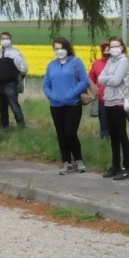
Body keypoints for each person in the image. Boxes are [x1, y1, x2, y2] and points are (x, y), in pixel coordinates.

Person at [42, 37, 90, 174]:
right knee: (61, 133)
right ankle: (66, 161)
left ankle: (79, 159)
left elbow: (84, 81)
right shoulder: (52, 65)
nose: (59, 51)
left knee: (70, 132)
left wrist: (71, 94)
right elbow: (46, 85)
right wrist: (52, 96)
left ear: (67, 48)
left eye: (61, 48)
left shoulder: (75, 62)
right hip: (56, 105)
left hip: (72, 104)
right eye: (56, 49)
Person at [98, 38, 129, 179]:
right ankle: (115, 165)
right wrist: (109, 78)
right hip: (108, 101)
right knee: (112, 136)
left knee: (121, 135)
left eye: (116, 46)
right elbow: (100, 78)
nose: (113, 49)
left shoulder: (123, 61)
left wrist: (108, 78)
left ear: (122, 47)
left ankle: (127, 166)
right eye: (111, 47)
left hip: (119, 101)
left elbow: (117, 80)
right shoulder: (110, 61)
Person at [0, 32, 28, 128]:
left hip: (10, 84)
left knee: (14, 106)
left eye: (7, 38)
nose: (5, 40)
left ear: (10, 40)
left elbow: (23, 68)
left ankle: (21, 127)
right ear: (0, 40)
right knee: (2, 108)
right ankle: (4, 127)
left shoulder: (15, 53)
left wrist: (18, 78)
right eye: (3, 38)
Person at [88, 41, 111, 139]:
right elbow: (90, 79)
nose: (106, 52)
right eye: (104, 50)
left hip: (117, 100)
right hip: (102, 100)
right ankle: (104, 145)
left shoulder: (119, 63)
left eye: (108, 50)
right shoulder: (96, 63)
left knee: (115, 126)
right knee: (104, 125)